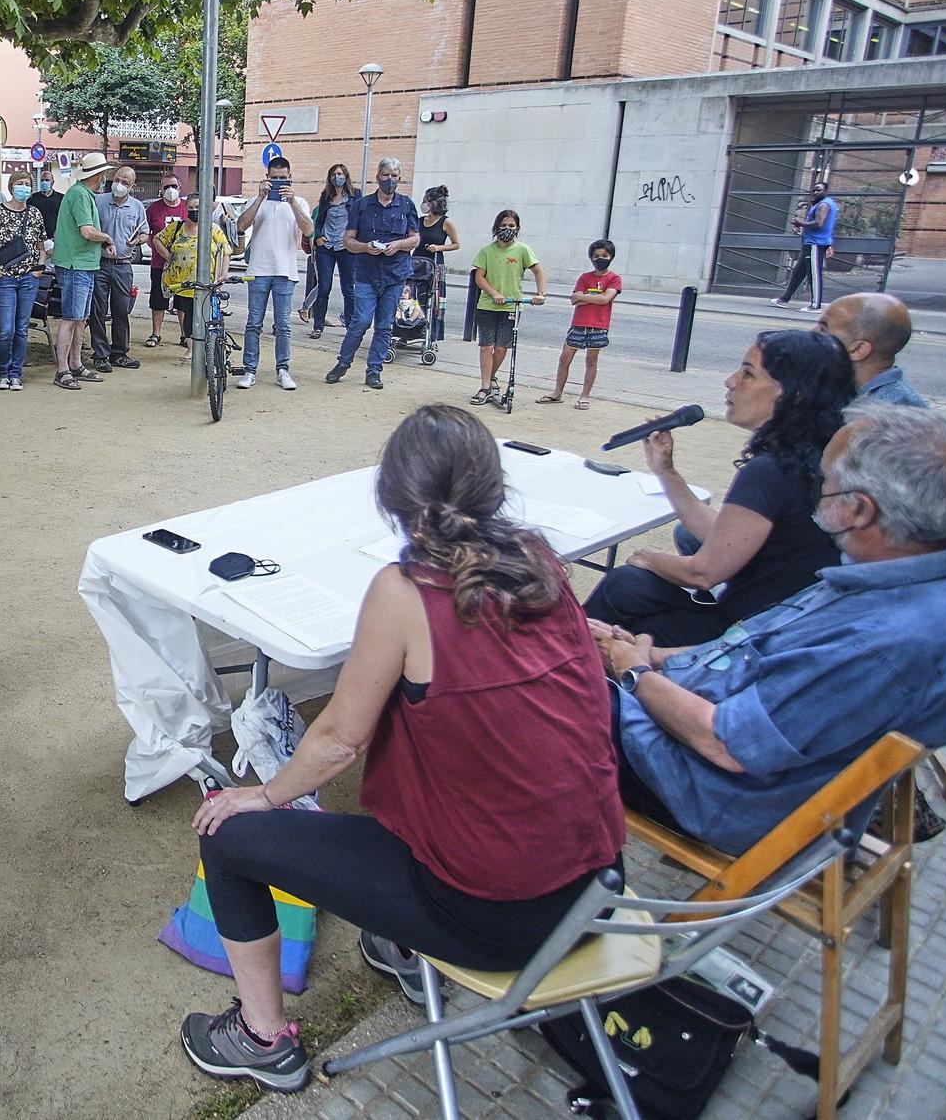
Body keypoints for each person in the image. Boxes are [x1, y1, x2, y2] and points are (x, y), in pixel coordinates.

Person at [182, 404, 625, 1093]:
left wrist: (261, 794)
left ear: (391, 495)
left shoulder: (406, 589)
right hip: (595, 886)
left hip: (496, 915)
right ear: (492, 486)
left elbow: (337, 743)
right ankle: (398, 941)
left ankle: (262, 1036)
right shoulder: (539, 559)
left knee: (228, 832)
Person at [598, 401, 946, 856]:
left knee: (529, 700)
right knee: (582, 639)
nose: (817, 498)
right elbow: (752, 653)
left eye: (826, 487)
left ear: (859, 510)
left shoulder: (880, 644)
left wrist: (633, 672)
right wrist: (649, 656)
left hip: (708, 788)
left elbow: (726, 744)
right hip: (718, 730)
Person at [583, 330, 858, 647]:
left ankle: (562, 659)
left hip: (752, 634)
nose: (730, 382)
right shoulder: (819, 454)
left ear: (793, 394)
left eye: (748, 374)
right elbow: (726, 537)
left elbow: (702, 573)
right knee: (630, 588)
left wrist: (649, 558)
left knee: (625, 585)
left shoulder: (771, 471)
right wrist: (666, 471)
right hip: (778, 619)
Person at [327, 156, 420, 391]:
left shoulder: (407, 205)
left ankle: (374, 370)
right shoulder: (362, 205)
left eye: (394, 176)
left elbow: (415, 238)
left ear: (400, 179)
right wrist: (366, 247)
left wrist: (398, 245)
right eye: (386, 175)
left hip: (395, 274)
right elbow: (347, 240)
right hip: (367, 273)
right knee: (360, 321)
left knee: (385, 326)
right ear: (378, 177)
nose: (390, 180)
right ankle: (343, 363)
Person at [235, 156, 311, 392]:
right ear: (267, 177)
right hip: (259, 269)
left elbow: (308, 229)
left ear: (290, 177)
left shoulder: (299, 202)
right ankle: (249, 370)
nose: (278, 182)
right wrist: (260, 197)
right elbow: (241, 225)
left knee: (284, 325)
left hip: (285, 271)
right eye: (274, 178)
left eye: (283, 178)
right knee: (253, 323)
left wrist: (292, 203)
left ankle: (283, 370)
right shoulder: (256, 200)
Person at [0, 174, 49, 391]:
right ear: (11, 187)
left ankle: (16, 373)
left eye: (28, 184)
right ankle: (3, 372)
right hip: (4, 278)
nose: (24, 188)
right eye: (20, 184)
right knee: (6, 328)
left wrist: (39, 267)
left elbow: (41, 247)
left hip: (29, 278)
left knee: (21, 328)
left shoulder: (35, 213)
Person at [469, 210, 546, 407]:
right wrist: (494, 293)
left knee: (502, 347)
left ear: (517, 228)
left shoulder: (523, 250)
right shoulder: (487, 250)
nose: (507, 230)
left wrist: (541, 294)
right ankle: (485, 386)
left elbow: (538, 270)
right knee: (486, 346)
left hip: (511, 306)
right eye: (503, 226)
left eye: (511, 226)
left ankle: (491, 376)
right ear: (496, 228)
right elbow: (479, 276)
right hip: (487, 305)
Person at [52, 152, 114, 391]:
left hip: (83, 264)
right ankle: (63, 370)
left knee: (80, 319)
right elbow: (87, 231)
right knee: (71, 319)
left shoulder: (82, 193)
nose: (105, 178)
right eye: (104, 174)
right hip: (75, 264)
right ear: (98, 175)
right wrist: (107, 237)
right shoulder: (79, 195)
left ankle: (75, 364)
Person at [539, 239, 621, 409]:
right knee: (565, 358)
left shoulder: (614, 279)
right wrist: (596, 299)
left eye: (604, 256)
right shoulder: (585, 277)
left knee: (591, 360)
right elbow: (575, 300)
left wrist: (585, 297)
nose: (600, 259)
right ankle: (557, 392)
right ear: (591, 257)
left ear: (611, 257)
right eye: (596, 256)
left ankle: (584, 396)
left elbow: (606, 299)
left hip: (598, 325)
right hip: (578, 323)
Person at [816, 292, 927, 407]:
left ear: (858, 349)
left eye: (823, 330)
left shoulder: (891, 412)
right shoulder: (843, 388)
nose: (812, 333)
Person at [155, 201, 233, 363]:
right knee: (188, 316)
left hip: (207, 284)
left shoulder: (213, 229)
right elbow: (157, 239)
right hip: (184, 284)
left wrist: (223, 275)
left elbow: (225, 251)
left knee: (206, 317)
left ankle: (209, 348)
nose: (194, 211)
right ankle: (191, 348)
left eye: (197, 207)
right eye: (190, 208)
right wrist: (169, 257)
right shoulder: (177, 227)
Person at [88, 165, 147, 373]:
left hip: (123, 265)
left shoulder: (137, 207)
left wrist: (138, 240)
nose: (119, 185)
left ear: (132, 187)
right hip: (100, 264)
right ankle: (101, 354)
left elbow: (146, 234)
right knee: (98, 310)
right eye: (118, 179)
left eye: (125, 182)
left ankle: (119, 353)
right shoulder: (98, 201)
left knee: (122, 310)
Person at [303, 163, 357, 338]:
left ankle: (350, 326)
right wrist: (317, 236)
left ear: (346, 176)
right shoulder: (326, 196)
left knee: (348, 289)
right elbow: (318, 220)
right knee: (324, 287)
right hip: (326, 246)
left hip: (346, 247)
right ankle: (318, 326)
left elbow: (358, 219)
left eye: (340, 173)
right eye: (334, 174)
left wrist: (356, 240)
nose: (337, 177)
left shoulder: (355, 196)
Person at [774, 177, 835, 312]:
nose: (815, 193)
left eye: (818, 190)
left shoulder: (823, 205)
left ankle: (815, 305)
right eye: (813, 191)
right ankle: (784, 299)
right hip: (812, 242)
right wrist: (802, 227)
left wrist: (800, 223)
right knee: (798, 272)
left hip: (815, 244)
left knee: (814, 274)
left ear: (826, 191)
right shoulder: (824, 204)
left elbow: (819, 224)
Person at [409, 183, 459, 340]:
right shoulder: (420, 221)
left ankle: (431, 332)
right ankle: (408, 328)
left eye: (427, 201)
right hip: (417, 261)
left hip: (435, 262)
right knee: (413, 295)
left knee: (433, 299)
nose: (424, 204)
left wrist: (438, 247)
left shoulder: (446, 222)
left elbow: (456, 244)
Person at [144, 177, 190, 346]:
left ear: (180, 186)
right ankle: (156, 334)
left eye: (173, 186)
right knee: (158, 300)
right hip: (159, 263)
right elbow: (147, 233)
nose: (170, 189)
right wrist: (159, 250)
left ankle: (185, 335)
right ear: (161, 189)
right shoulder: (154, 208)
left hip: (184, 264)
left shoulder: (187, 206)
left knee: (183, 301)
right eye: (166, 186)